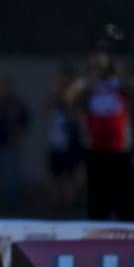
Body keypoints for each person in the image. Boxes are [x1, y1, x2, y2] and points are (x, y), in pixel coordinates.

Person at [71, 51, 134, 220]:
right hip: (95, 146)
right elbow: (72, 102)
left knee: (124, 190)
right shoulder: (86, 85)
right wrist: (92, 80)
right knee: (97, 190)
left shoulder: (119, 84)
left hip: (120, 146)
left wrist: (120, 73)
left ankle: (126, 222)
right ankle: (97, 221)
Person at [0, 77, 30, 210]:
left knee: (11, 175)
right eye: (0, 87)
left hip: (10, 144)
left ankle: (12, 204)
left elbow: (25, 123)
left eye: (5, 87)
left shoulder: (17, 104)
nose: (3, 91)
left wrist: (18, 136)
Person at [45, 65, 82, 213]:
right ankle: (56, 204)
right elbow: (46, 114)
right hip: (55, 143)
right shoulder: (53, 100)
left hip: (71, 143)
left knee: (70, 176)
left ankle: (71, 203)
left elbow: (76, 117)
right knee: (55, 175)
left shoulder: (77, 99)